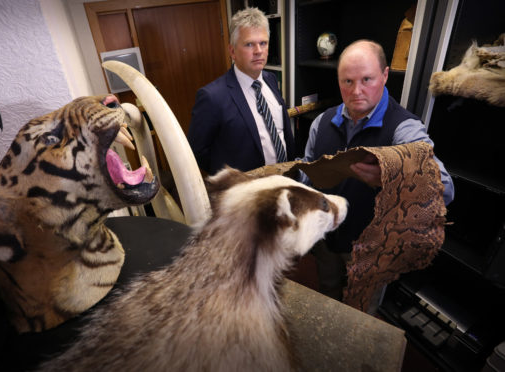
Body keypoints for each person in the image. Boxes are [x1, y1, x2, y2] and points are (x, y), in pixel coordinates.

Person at [301, 39, 455, 307]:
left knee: (361, 312)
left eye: (367, 79)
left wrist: (390, 177)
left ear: (384, 76)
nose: (356, 91)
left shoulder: (403, 128)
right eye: (347, 81)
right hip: (325, 239)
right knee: (327, 295)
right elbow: (308, 168)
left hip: (370, 251)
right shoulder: (321, 122)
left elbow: (445, 188)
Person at [187, 7, 295, 175]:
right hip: (246, 192)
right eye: (249, 44)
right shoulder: (212, 97)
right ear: (232, 51)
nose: (258, 51)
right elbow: (198, 151)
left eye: (263, 43)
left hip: (283, 180)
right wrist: (232, 182)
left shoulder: (271, 79)